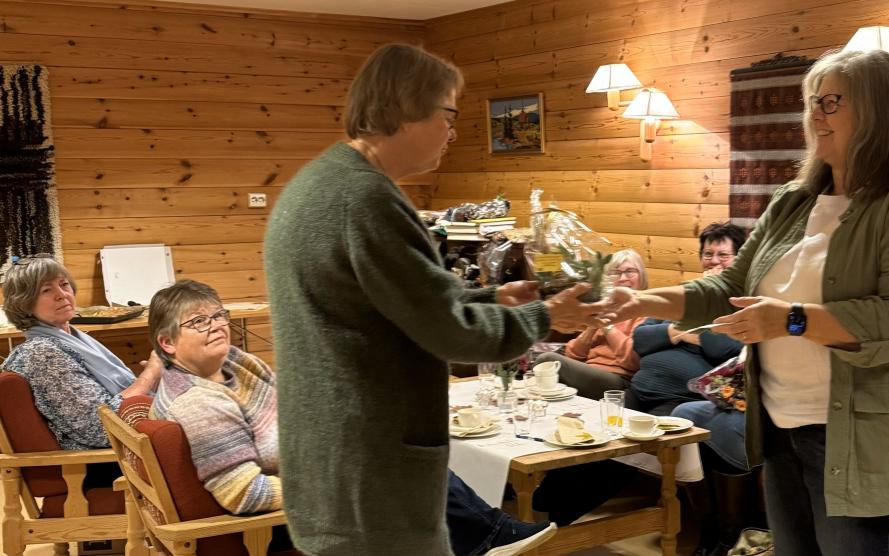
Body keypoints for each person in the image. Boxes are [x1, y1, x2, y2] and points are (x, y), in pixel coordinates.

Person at [605, 49, 889, 555]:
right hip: (780, 424)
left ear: (882, 110)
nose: (814, 115)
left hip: (862, 439)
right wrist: (636, 301)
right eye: (812, 101)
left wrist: (791, 321)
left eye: (831, 101)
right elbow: (727, 287)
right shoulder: (793, 202)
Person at [263, 43, 603, 555]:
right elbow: (452, 332)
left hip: (330, 456)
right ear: (405, 109)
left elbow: (393, 298)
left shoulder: (319, 183)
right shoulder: (367, 199)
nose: (453, 131)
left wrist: (494, 296)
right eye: (449, 114)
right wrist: (546, 315)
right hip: (369, 470)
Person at [147, 280, 558, 556]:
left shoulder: (232, 365)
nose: (216, 326)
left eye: (217, 315)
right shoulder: (200, 404)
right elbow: (244, 494)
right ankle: (488, 536)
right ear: (167, 342)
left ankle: (484, 533)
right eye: (198, 322)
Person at [1, 255, 161, 482]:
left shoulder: (75, 339)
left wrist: (158, 377)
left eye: (64, 284)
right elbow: (99, 427)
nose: (61, 294)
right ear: (24, 304)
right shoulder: (42, 353)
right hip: (101, 465)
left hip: (129, 447)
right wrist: (150, 375)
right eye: (46, 290)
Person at [625, 222, 747, 416]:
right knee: (601, 425)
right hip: (638, 389)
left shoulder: (740, 305)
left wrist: (709, 295)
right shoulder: (683, 295)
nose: (714, 261)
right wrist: (679, 332)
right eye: (708, 254)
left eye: (723, 255)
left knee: (641, 434)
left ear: (739, 261)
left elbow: (721, 349)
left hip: (682, 400)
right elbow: (640, 339)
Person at [535, 249, 647, 400]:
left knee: (547, 360)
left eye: (630, 272)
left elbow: (632, 360)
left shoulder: (645, 313)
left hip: (619, 380)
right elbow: (572, 354)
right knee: (541, 372)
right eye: (616, 273)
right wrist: (593, 326)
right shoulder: (604, 307)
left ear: (641, 276)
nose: (622, 278)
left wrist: (607, 326)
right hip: (589, 371)